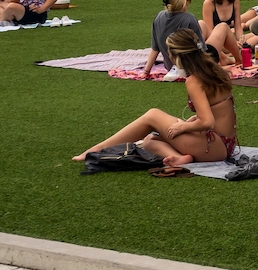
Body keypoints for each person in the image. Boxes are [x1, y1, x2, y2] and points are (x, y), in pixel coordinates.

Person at [73, 30, 237, 167]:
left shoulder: (194, 80)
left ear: (176, 55)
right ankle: (179, 158)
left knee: (153, 115)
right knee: (149, 140)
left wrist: (183, 128)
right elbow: (218, 110)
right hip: (226, 144)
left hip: (215, 145)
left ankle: (97, 149)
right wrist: (194, 121)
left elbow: (208, 122)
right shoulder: (213, 69)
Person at [141, 0, 204, 78]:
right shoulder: (189, 18)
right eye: (188, 0)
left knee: (202, 24)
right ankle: (228, 59)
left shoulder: (159, 17)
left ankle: (225, 58)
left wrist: (146, 72)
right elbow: (201, 49)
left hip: (170, 66)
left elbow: (155, 49)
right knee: (222, 28)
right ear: (182, 3)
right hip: (192, 67)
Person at [201, 0, 244, 65]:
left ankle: (228, 55)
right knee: (222, 27)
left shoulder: (235, 2)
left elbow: (238, 26)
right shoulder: (209, 3)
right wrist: (233, 43)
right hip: (215, 39)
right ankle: (230, 57)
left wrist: (240, 40)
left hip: (228, 39)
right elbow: (209, 31)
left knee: (255, 37)